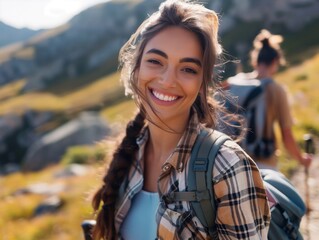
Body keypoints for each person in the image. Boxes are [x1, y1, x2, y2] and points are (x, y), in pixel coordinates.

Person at [91, 1, 270, 239]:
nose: (167, 80)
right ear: (135, 68)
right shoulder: (129, 152)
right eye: (155, 61)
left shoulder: (226, 165)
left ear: (202, 84)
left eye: (188, 69)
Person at [243, 29, 312, 170]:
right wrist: (301, 159)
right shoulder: (276, 90)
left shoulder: (235, 83)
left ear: (256, 61)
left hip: (233, 163)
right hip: (263, 164)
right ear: (275, 61)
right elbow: (286, 136)